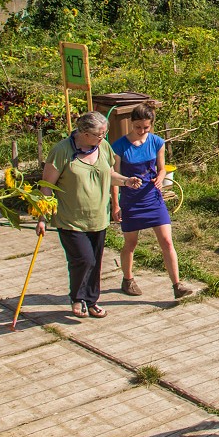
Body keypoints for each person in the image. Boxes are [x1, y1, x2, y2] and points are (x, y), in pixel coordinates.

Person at [37, 112, 141, 319]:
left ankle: (92, 301)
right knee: (84, 260)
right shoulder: (61, 151)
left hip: (97, 218)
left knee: (95, 260)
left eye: (105, 133)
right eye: (99, 134)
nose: (103, 138)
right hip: (70, 218)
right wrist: (42, 217)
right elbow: (46, 187)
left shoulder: (102, 147)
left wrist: (125, 181)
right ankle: (78, 298)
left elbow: (108, 174)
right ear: (84, 133)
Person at [112, 105, 190, 300]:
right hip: (131, 200)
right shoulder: (119, 146)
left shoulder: (157, 142)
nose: (142, 131)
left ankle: (176, 284)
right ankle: (127, 279)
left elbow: (162, 168)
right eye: (138, 127)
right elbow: (113, 177)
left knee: (166, 240)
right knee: (131, 242)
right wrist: (116, 204)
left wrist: (160, 177)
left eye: (146, 127)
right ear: (132, 123)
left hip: (153, 198)